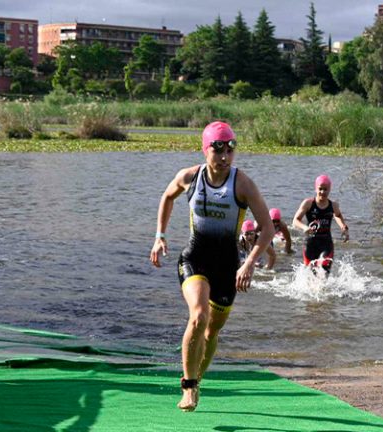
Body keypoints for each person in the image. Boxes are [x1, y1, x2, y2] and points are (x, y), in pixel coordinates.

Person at [149, 121, 274, 412]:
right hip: (195, 258)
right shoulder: (189, 177)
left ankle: (197, 378)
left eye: (230, 150)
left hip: (228, 266)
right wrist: (160, 236)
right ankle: (188, 387)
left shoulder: (242, 184)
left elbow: (267, 228)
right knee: (199, 315)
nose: (224, 156)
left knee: (211, 332)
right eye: (218, 150)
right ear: (205, 150)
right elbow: (167, 197)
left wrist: (249, 264)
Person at [292, 175, 349, 275]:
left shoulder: (333, 205)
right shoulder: (308, 203)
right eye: (320, 189)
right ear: (316, 189)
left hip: (326, 243)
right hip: (310, 244)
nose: (323, 192)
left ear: (329, 189)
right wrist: (304, 227)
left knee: (325, 273)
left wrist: (343, 227)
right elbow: (295, 220)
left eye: (325, 189)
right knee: (311, 274)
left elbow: (338, 215)